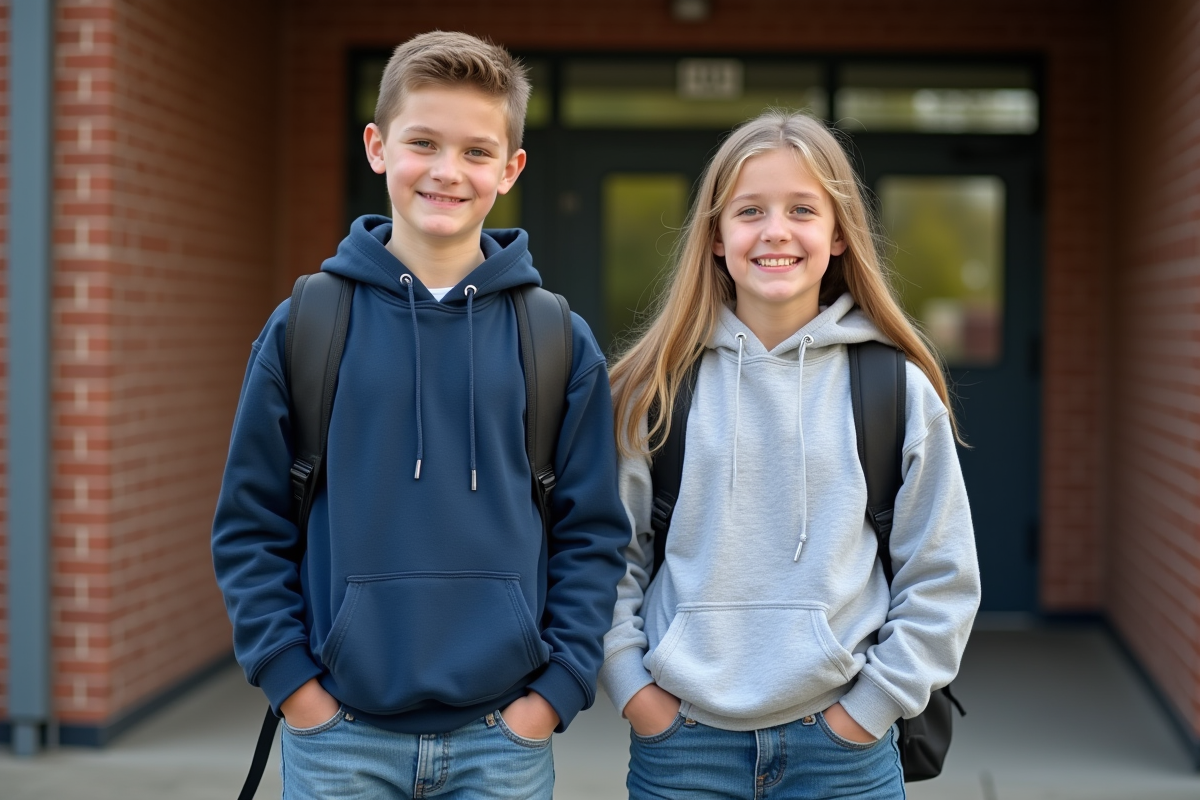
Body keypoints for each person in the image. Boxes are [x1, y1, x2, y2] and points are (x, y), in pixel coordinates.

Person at [211, 31, 628, 799]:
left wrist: (554, 695)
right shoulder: (307, 324)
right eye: (423, 143)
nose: (447, 171)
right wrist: (293, 687)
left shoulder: (555, 340)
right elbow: (249, 524)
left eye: (476, 152)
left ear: (510, 169)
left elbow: (592, 533)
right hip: (339, 739)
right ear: (377, 147)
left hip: (503, 740)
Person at [600, 109, 982, 799]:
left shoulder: (893, 387)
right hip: (685, 748)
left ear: (838, 234)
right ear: (716, 237)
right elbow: (607, 559)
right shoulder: (655, 388)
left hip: (842, 753)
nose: (775, 230)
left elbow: (942, 577)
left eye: (802, 209)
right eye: (750, 210)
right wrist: (634, 690)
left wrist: (866, 715)